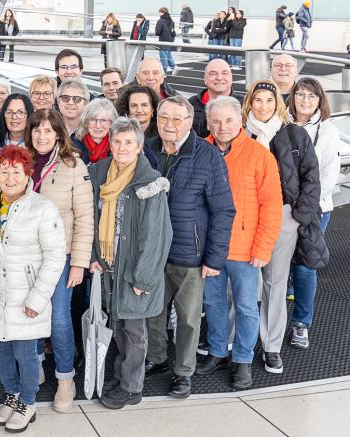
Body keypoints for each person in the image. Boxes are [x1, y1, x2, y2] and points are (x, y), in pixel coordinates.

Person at [0, 145, 66, 432]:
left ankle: (28, 402)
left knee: (25, 352)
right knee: (0, 350)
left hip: (26, 296)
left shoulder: (42, 208)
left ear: (28, 174)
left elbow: (55, 256)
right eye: (4, 171)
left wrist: (38, 298)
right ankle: (13, 394)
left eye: (16, 172)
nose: (10, 178)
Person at [141, 96, 235, 399]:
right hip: (153, 252)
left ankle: (183, 372)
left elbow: (223, 210)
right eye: (163, 117)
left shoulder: (207, 155)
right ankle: (157, 358)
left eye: (176, 119)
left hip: (189, 254)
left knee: (188, 319)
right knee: (153, 312)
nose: (169, 124)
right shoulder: (147, 149)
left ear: (190, 122)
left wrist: (214, 258)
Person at [197, 95, 282, 390]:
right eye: (216, 121)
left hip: (245, 250)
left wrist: (263, 248)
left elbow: (272, 205)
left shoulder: (260, 155)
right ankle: (218, 351)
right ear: (209, 123)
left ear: (240, 120)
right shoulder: (199, 151)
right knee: (213, 302)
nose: (223, 127)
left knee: (246, 307)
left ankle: (243, 358)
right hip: (209, 249)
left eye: (229, 120)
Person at [90, 117, 173, 410]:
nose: (122, 147)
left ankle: (132, 387)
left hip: (135, 269)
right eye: (117, 141)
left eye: (129, 142)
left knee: (135, 331)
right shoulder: (99, 173)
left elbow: (157, 235)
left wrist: (144, 278)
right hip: (109, 265)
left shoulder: (149, 182)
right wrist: (95, 257)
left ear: (139, 147)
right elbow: (91, 220)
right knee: (118, 326)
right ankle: (122, 376)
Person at [243, 80, 320, 375]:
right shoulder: (240, 133)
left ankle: (271, 346)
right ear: (249, 103)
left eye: (269, 100)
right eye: (258, 100)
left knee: (275, 284)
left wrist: (299, 216)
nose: (263, 106)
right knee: (242, 282)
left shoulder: (294, 134)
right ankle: (239, 343)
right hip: (245, 219)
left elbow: (311, 177)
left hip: (283, 216)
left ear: (278, 104)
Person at [22, 109, 93, 411]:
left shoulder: (73, 165)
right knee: (30, 312)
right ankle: (36, 363)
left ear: (58, 134)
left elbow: (85, 217)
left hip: (60, 255)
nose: (42, 136)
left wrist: (79, 262)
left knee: (60, 317)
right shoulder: (20, 160)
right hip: (26, 254)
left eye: (48, 131)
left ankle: (65, 378)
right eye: (37, 130)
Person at [286, 78, 341, 350]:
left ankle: (301, 323)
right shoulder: (281, 123)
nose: (305, 100)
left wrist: (307, 205)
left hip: (315, 209)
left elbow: (330, 172)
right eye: (300, 94)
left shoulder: (328, 130)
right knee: (276, 266)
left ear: (320, 100)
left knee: (305, 266)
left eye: (311, 96)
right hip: (282, 208)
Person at [189, 59, 241, 138]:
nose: (219, 78)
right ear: (205, 79)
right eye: (213, 74)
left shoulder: (245, 104)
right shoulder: (190, 105)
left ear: (231, 78)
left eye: (224, 73)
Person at [71, 98, 116, 164]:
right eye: (93, 120)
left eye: (104, 120)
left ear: (111, 123)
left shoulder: (118, 147)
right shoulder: (72, 145)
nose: (98, 126)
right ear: (86, 122)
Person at [155, 8, 177, 74]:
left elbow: (157, 32)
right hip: (170, 40)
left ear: (163, 12)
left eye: (160, 12)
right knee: (168, 55)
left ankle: (164, 72)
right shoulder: (171, 20)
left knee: (163, 56)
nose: (159, 13)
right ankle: (174, 67)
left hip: (163, 40)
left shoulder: (160, 21)